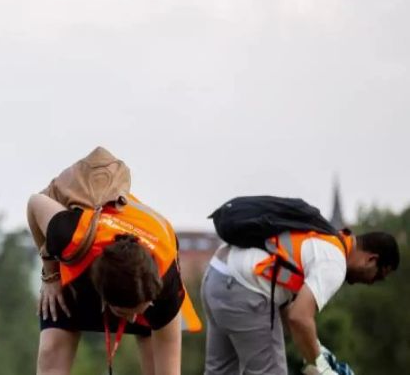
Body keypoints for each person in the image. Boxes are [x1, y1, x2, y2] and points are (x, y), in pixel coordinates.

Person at [28, 147, 202, 375]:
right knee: (52, 353)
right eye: (124, 312)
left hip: (148, 264)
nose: (132, 318)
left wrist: (141, 307)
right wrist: (50, 274)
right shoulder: (70, 236)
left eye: (138, 310)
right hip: (81, 268)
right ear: (104, 297)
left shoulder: (165, 289)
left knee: (156, 360)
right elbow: (35, 203)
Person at [202, 217, 399, 374]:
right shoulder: (335, 262)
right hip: (244, 286)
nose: (371, 283)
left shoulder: (323, 236)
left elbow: (287, 309)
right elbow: (300, 317)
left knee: (220, 372)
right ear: (371, 259)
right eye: (378, 276)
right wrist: (322, 369)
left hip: (216, 275)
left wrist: (316, 350)